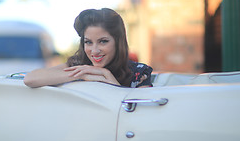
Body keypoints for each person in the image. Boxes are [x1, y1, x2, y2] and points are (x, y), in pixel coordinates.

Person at [23, 8, 153, 88]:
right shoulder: (80, 65)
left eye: (103, 41)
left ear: (118, 42)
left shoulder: (139, 73)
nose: (94, 50)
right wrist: (82, 76)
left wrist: (106, 75)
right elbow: (30, 79)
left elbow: (142, 116)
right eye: (88, 42)